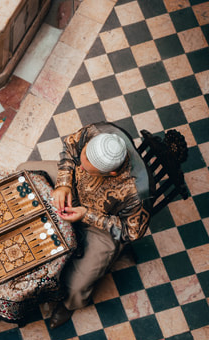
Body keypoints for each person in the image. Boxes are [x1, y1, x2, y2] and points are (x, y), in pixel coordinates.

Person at [17, 121, 153, 328]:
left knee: (79, 284)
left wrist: (86, 216)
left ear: (112, 174)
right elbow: (71, 149)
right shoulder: (96, 132)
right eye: (83, 159)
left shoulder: (137, 193)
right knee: (23, 172)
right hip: (72, 187)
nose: (80, 167)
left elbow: (132, 232)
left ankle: (69, 305)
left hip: (100, 223)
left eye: (87, 168)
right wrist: (63, 183)